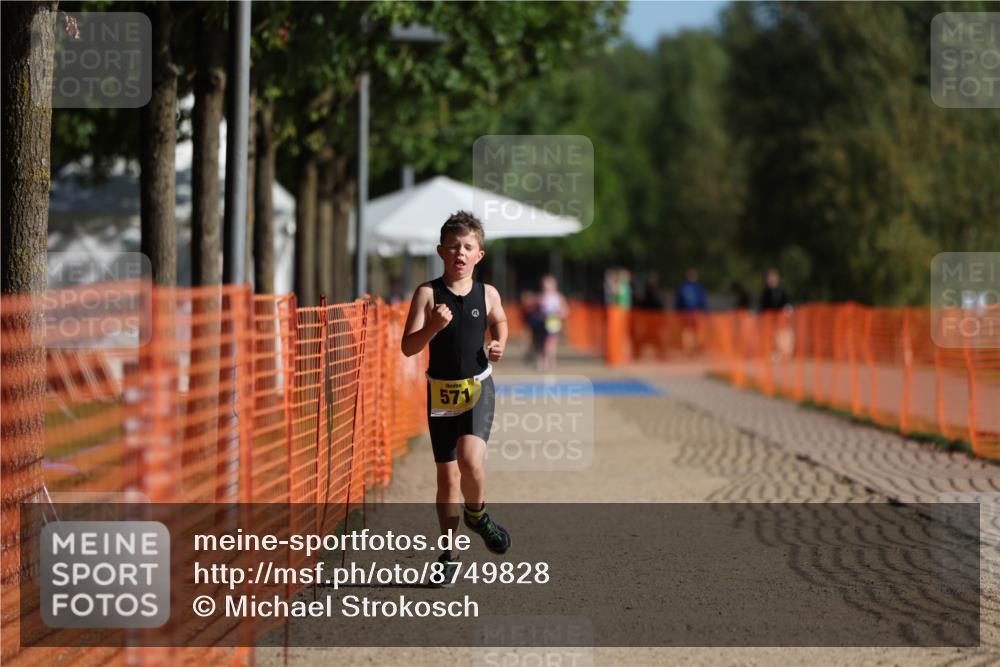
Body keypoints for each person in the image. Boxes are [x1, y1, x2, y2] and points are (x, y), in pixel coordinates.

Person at [400, 211, 511, 586]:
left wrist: (499, 344)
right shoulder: (427, 294)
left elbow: (500, 320)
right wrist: (433, 325)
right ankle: (449, 553)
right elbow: (408, 347)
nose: (459, 253)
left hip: (478, 386)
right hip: (441, 392)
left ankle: (477, 515)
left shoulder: (488, 293)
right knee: (446, 479)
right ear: (440, 252)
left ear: (479, 254)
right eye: (453, 247)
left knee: (470, 461)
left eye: (467, 247)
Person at [536, 275, 569, 373]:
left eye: (548, 285)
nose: (546, 288)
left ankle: (550, 362)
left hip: (553, 324)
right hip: (542, 324)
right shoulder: (541, 297)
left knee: (550, 344)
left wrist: (557, 314)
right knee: (542, 344)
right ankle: (543, 361)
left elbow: (565, 311)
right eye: (544, 286)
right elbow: (537, 311)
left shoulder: (558, 297)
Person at [675, 268, 708, 355]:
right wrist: (704, 311)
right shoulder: (698, 288)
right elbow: (702, 301)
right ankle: (693, 349)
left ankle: (691, 349)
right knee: (693, 331)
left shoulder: (683, 287)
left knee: (689, 331)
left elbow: (678, 302)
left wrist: (678, 311)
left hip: (687, 312)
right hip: (694, 312)